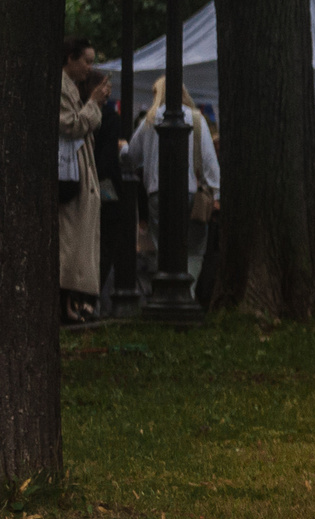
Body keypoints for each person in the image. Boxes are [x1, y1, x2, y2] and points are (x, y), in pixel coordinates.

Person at [125, 77, 219, 280]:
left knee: (163, 246)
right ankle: (189, 292)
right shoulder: (196, 119)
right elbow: (210, 164)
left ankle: (164, 291)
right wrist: (216, 193)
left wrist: (122, 147)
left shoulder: (148, 121)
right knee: (193, 249)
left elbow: (131, 156)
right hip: (192, 194)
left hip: (157, 194)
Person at [59, 45, 107, 323]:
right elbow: (72, 125)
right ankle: (65, 304)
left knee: (73, 246)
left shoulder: (70, 88)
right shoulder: (63, 89)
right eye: (86, 61)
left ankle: (69, 302)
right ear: (70, 58)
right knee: (68, 245)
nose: (89, 67)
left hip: (75, 173)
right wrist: (93, 104)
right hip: (68, 174)